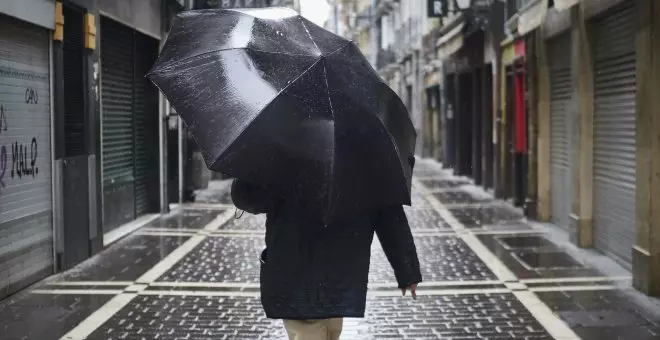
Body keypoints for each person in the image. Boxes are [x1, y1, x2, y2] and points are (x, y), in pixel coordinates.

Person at [231, 168, 421, 340]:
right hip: (336, 272)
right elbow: (388, 211)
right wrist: (407, 269)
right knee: (326, 330)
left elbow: (250, 199)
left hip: (298, 268)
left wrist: (247, 174)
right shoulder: (364, 152)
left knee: (318, 330)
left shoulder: (283, 149)